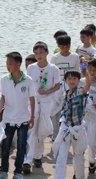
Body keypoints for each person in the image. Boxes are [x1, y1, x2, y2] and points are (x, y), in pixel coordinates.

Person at [0, 52, 35, 179]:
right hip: (8, 119)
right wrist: (0, 107)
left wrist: (32, 117)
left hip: (23, 119)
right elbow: (3, 96)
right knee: (5, 146)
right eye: (7, 63)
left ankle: (18, 172)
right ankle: (3, 171)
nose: (8, 66)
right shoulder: (4, 79)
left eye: (10, 64)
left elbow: (32, 100)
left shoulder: (28, 80)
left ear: (19, 64)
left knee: (21, 146)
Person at [24, 42, 61, 172]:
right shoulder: (31, 68)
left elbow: (58, 85)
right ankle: (28, 160)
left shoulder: (53, 69)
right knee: (32, 129)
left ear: (47, 52)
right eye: (36, 53)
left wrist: (48, 92)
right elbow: (28, 85)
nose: (39, 55)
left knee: (42, 129)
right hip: (33, 101)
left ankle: (38, 156)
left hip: (47, 101)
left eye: (41, 53)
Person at [52, 70, 92, 179]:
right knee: (61, 156)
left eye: (74, 78)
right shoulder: (65, 94)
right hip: (66, 128)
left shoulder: (80, 92)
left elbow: (88, 85)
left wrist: (87, 75)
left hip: (77, 129)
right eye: (69, 79)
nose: (72, 81)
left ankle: (79, 177)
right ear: (65, 81)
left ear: (79, 80)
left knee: (78, 156)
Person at [50, 35, 80, 138]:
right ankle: (55, 134)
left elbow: (77, 72)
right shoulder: (55, 58)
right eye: (63, 47)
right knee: (56, 111)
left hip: (71, 86)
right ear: (58, 46)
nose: (65, 49)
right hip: (58, 87)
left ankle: (69, 132)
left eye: (67, 46)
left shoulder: (75, 57)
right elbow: (52, 74)